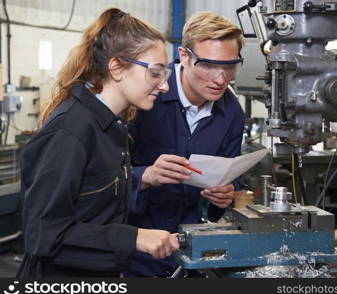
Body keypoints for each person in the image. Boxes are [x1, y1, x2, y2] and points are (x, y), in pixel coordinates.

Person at [16, 8, 180, 278]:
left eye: (166, 74)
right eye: (155, 73)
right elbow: (43, 235)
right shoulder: (71, 132)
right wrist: (134, 238)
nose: (164, 86)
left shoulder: (114, 126)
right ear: (116, 67)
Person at [127, 11, 245, 277]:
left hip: (190, 248)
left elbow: (233, 173)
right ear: (183, 56)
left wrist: (226, 193)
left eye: (229, 66)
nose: (221, 79)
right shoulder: (145, 97)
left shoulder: (232, 114)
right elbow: (104, 176)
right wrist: (145, 175)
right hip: (137, 249)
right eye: (208, 65)